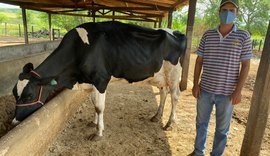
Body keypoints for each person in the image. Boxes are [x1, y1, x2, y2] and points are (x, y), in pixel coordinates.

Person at [191, 0, 253, 155]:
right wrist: (196, 84)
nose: (228, 13)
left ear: (237, 13)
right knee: (201, 124)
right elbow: (199, 61)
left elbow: (245, 65)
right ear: (219, 12)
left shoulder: (243, 36)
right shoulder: (208, 35)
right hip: (205, 89)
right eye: (225, 10)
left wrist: (238, 91)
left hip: (227, 94)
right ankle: (199, 152)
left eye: (232, 10)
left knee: (222, 130)